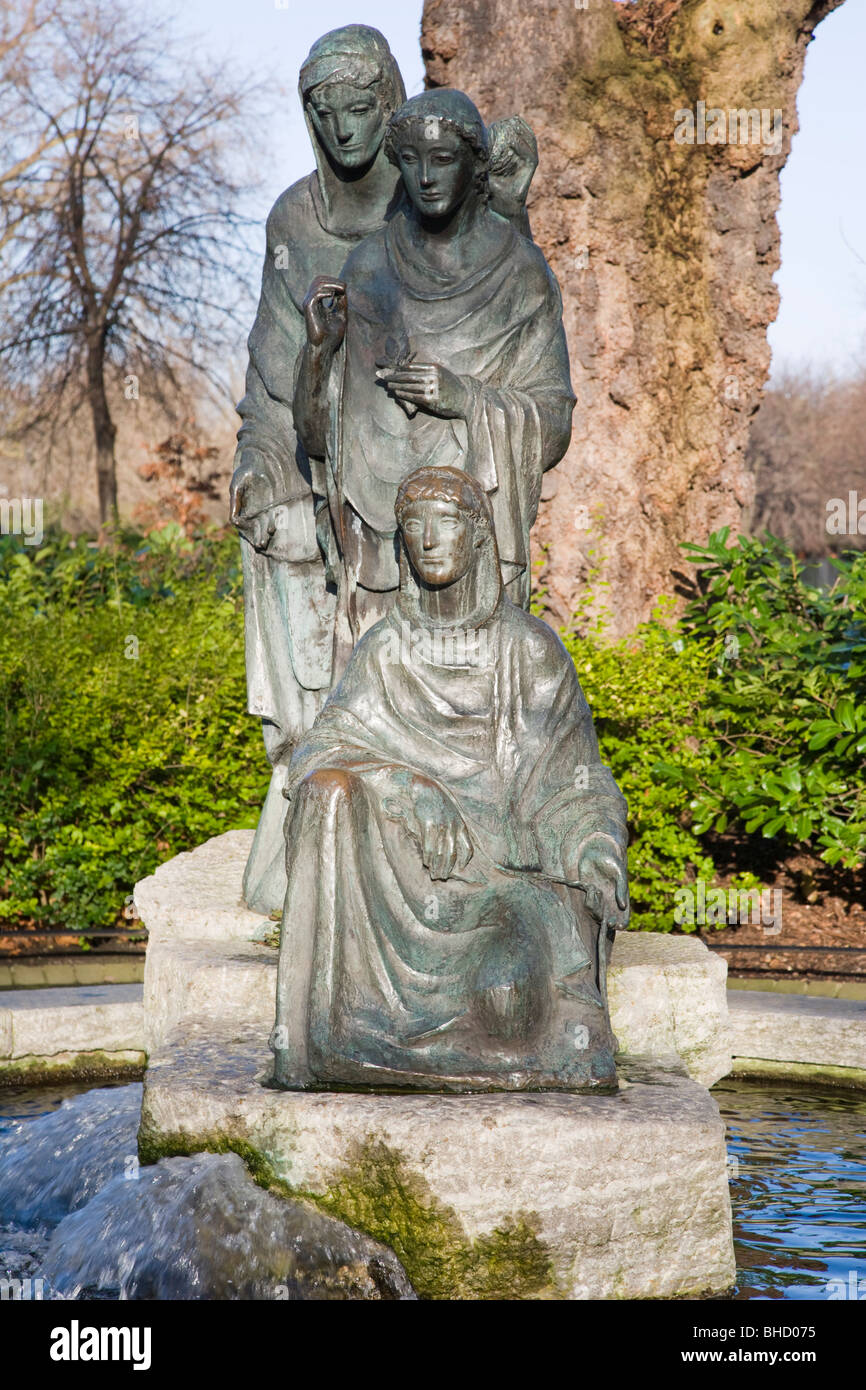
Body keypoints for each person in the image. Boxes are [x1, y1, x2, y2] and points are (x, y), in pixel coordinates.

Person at [271, 467, 628, 1093]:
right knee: (330, 790)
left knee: (510, 1002)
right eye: (413, 523)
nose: (428, 538)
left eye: (446, 521)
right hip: (404, 879)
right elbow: (318, 752)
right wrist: (409, 787)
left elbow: (576, 781)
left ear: (479, 536)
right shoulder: (385, 650)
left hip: (503, 884)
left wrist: (596, 850)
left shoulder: (530, 651)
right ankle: (335, 1044)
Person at [294, 89, 575, 680]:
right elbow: (321, 441)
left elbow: (552, 423)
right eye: (412, 160)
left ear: (475, 166)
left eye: (443, 158)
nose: (425, 177)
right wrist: (320, 354)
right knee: (369, 717)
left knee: (473, 717)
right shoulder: (368, 266)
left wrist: (465, 398)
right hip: (375, 540)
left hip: (467, 540)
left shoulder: (521, 274)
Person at [229, 26, 407, 912]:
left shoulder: (430, 209)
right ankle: (307, 782)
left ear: (389, 103)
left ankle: (393, 793)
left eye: (359, 109)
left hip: (412, 466)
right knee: (277, 530)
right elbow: (270, 375)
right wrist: (259, 469)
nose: (342, 130)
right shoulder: (293, 222)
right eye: (323, 112)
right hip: (311, 448)